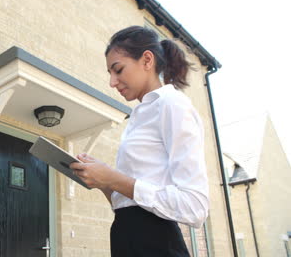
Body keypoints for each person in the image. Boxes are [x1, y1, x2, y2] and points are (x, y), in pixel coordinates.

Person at [70, 26, 209, 257]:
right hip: (125, 236)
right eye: (110, 73)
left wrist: (113, 178)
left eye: (118, 70)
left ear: (147, 60)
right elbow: (128, 204)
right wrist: (104, 182)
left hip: (155, 243)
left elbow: (195, 207)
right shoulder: (139, 115)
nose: (112, 82)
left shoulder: (172, 105)